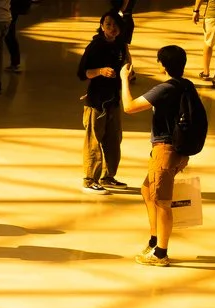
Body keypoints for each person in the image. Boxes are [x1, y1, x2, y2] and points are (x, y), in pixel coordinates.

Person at [119, 44, 201, 266]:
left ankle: (161, 253)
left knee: (163, 202)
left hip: (165, 151)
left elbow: (129, 106)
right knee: (147, 191)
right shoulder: (187, 85)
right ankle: (155, 239)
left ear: (163, 65)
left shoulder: (165, 89)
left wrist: (124, 79)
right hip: (178, 151)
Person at [77, 13, 128, 193]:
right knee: (94, 140)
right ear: (101, 25)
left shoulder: (121, 45)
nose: (111, 28)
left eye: (115, 25)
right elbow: (82, 73)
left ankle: (108, 176)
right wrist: (100, 71)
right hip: (96, 102)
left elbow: (126, 64)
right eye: (108, 24)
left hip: (113, 100)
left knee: (114, 140)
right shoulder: (95, 46)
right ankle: (90, 179)